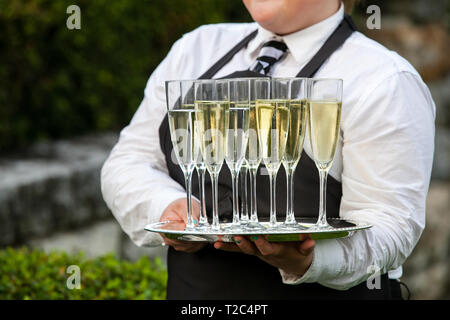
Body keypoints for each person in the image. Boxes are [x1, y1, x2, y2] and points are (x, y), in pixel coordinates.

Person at [101, 0, 435, 299]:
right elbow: (129, 161)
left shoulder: (384, 80)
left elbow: (391, 225)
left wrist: (311, 260)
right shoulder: (195, 48)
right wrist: (167, 206)